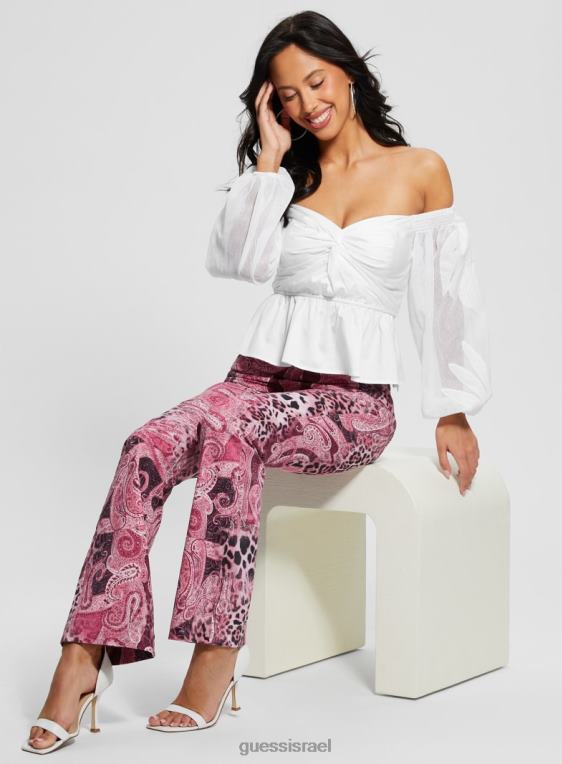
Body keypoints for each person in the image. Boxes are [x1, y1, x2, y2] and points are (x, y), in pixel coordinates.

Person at [23, 9, 492, 752]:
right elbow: (236, 263)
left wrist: (454, 408)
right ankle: (82, 656)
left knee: (231, 432)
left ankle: (215, 654)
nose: (308, 103)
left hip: (350, 401)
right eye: (288, 94)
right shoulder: (286, 176)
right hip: (257, 379)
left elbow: (447, 299)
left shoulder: (420, 170)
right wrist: (270, 160)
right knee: (146, 445)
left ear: (349, 72)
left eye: (317, 81)